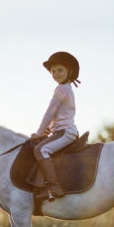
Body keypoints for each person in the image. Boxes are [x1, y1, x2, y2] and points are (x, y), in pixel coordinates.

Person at [31, 51, 81, 198]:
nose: (56, 74)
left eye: (60, 70)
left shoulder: (61, 89)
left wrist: (39, 132)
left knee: (40, 151)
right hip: (60, 131)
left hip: (65, 132)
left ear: (69, 71)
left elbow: (50, 112)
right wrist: (48, 130)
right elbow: (57, 114)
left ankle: (54, 188)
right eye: (53, 71)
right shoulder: (65, 88)